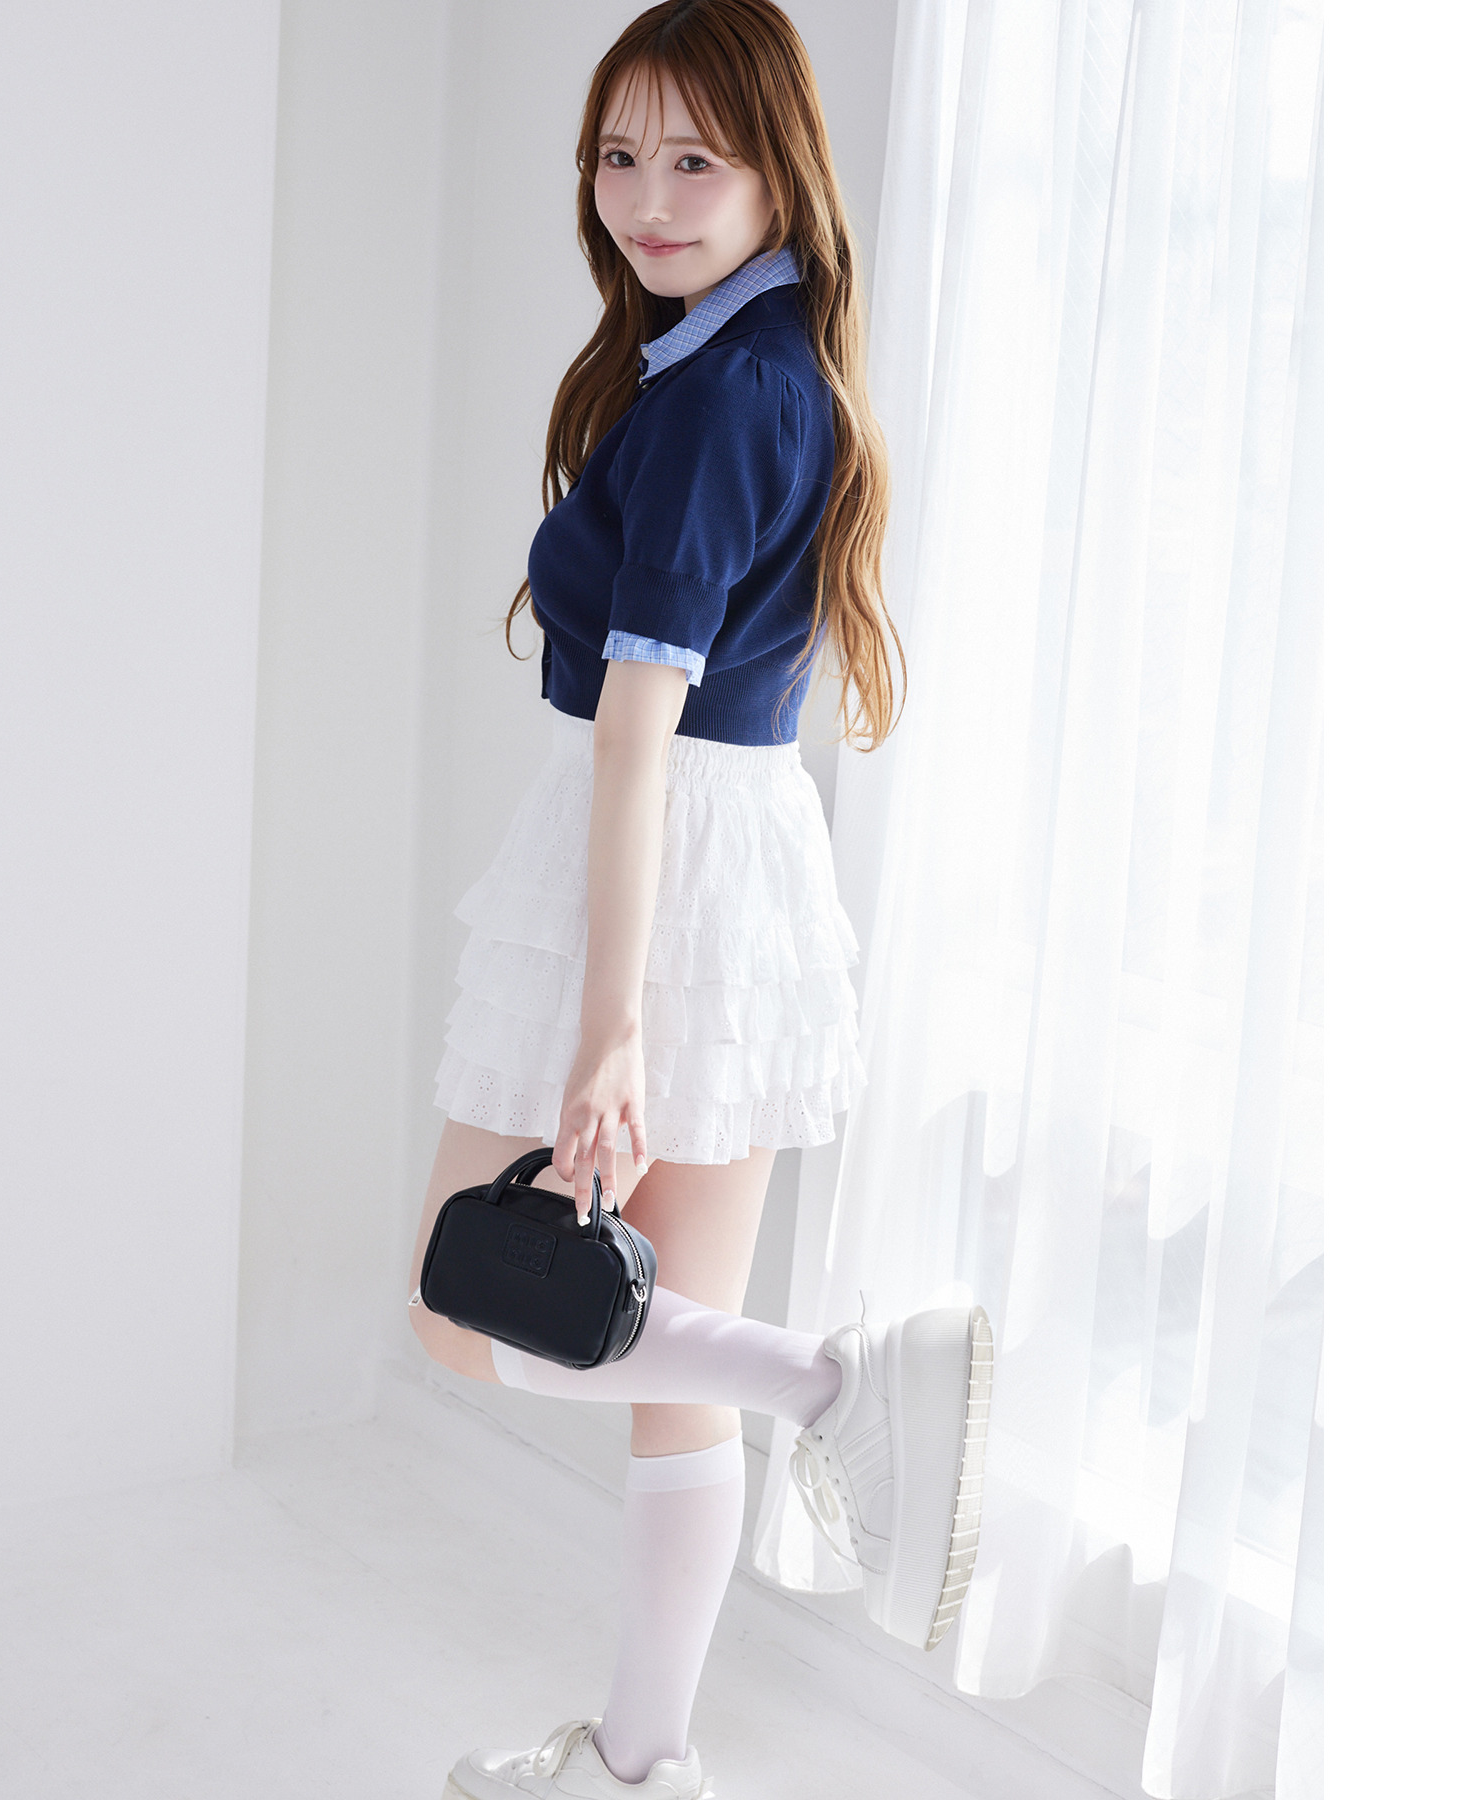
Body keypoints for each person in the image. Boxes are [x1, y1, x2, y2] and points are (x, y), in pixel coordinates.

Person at [408, 5, 990, 1795]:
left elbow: (637, 720)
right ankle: (645, 1762)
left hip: (658, 859)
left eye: (694, 159)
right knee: (674, 1369)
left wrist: (609, 1030)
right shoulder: (758, 363)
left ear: (776, 174)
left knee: (463, 1308)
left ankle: (838, 1390)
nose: (647, 199)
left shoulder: (732, 392)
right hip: (728, 858)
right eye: (618, 155)